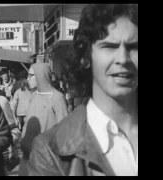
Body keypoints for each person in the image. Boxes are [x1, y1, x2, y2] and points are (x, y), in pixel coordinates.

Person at [27, 4, 138, 176]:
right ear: (86, 58)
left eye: (134, 47)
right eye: (109, 46)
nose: (123, 59)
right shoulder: (52, 152)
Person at [18, 62, 69, 176]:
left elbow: (64, 131)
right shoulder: (33, 96)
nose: (27, 79)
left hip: (46, 163)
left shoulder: (57, 98)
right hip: (27, 159)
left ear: (41, 75)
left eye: (31, 75)